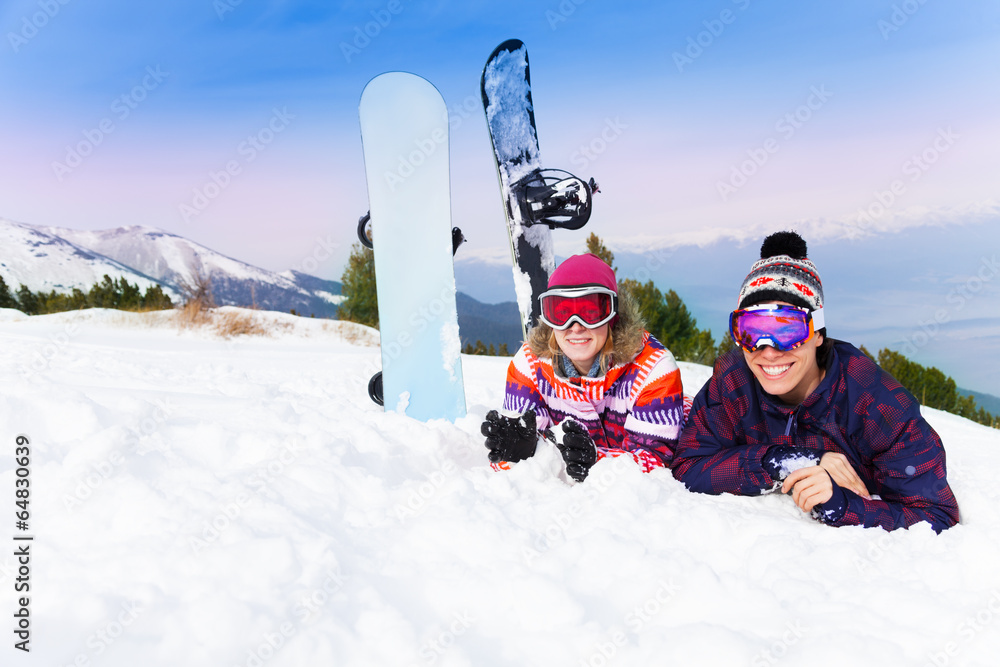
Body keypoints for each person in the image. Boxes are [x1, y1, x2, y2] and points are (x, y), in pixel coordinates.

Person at [671, 231, 959, 532]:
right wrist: (784, 461)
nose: (768, 351)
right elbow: (690, 465)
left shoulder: (877, 404)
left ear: (818, 333)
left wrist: (842, 506)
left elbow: (937, 516)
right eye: (751, 330)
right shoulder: (734, 381)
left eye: (788, 330)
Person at [481, 253, 687, 481]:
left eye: (591, 312)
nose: (576, 327)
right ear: (548, 320)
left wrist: (596, 459)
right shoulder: (529, 365)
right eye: (561, 313)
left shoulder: (653, 370)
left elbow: (658, 464)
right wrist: (519, 450)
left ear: (612, 315)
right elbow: (517, 459)